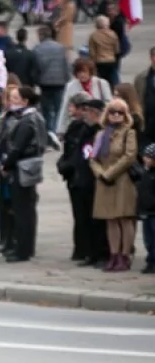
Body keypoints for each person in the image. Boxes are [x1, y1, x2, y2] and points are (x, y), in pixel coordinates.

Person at [59, 96, 109, 266]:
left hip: (94, 178)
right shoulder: (81, 128)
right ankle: (88, 252)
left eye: (89, 111)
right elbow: (74, 151)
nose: (86, 114)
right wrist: (65, 165)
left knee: (97, 219)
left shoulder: (101, 131)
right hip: (79, 178)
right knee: (83, 218)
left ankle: (101, 253)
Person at [90, 98, 138, 271]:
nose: (116, 115)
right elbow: (93, 158)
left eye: (120, 112)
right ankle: (114, 254)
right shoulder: (101, 134)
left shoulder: (129, 132)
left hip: (122, 180)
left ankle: (125, 255)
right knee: (110, 220)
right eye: (112, 111)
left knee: (124, 219)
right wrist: (100, 174)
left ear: (125, 115)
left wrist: (110, 173)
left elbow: (129, 156)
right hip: (104, 181)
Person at [1, 86, 47, 263]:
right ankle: (25, 247)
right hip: (26, 166)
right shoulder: (30, 117)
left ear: (25, 101)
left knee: (23, 210)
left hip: (23, 168)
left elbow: (18, 148)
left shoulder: (28, 120)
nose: (11, 101)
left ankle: (23, 250)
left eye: (15, 98)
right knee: (26, 209)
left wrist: (6, 164)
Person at [138, 144, 155, 274]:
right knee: (148, 239)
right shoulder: (145, 172)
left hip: (153, 211)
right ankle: (150, 261)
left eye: (149, 157)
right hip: (146, 211)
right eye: (145, 156)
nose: (146, 159)